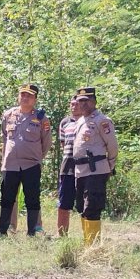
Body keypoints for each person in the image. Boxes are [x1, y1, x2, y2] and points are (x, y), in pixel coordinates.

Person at [0, 84, 52, 236]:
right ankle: (2, 230)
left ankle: (32, 232)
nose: (25, 98)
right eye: (23, 94)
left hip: (31, 165)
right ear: (18, 96)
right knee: (7, 198)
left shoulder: (41, 118)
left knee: (32, 198)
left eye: (29, 96)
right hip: (10, 165)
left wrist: (37, 158)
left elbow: (46, 142)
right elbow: (4, 138)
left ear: (35, 99)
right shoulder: (8, 115)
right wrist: (3, 161)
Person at [72, 87, 118, 245]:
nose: (83, 104)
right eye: (80, 101)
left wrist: (109, 166)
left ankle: (92, 247)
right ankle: (87, 242)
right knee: (81, 207)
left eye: (86, 101)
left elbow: (112, 146)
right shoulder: (79, 121)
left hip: (96, 170)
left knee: (92, 206)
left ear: (94, 102)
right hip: (81, 171)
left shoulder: (102, 120)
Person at [57, 95, 82, 236]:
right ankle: (62, 235)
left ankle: (88, 235)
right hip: (67, 167)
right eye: (72, 104)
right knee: (63, 202)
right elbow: (63, 144)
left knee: (85, 203)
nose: (74, 106)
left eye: (77, 104)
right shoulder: (64, 122)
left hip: (85, 168)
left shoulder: (88, 121)